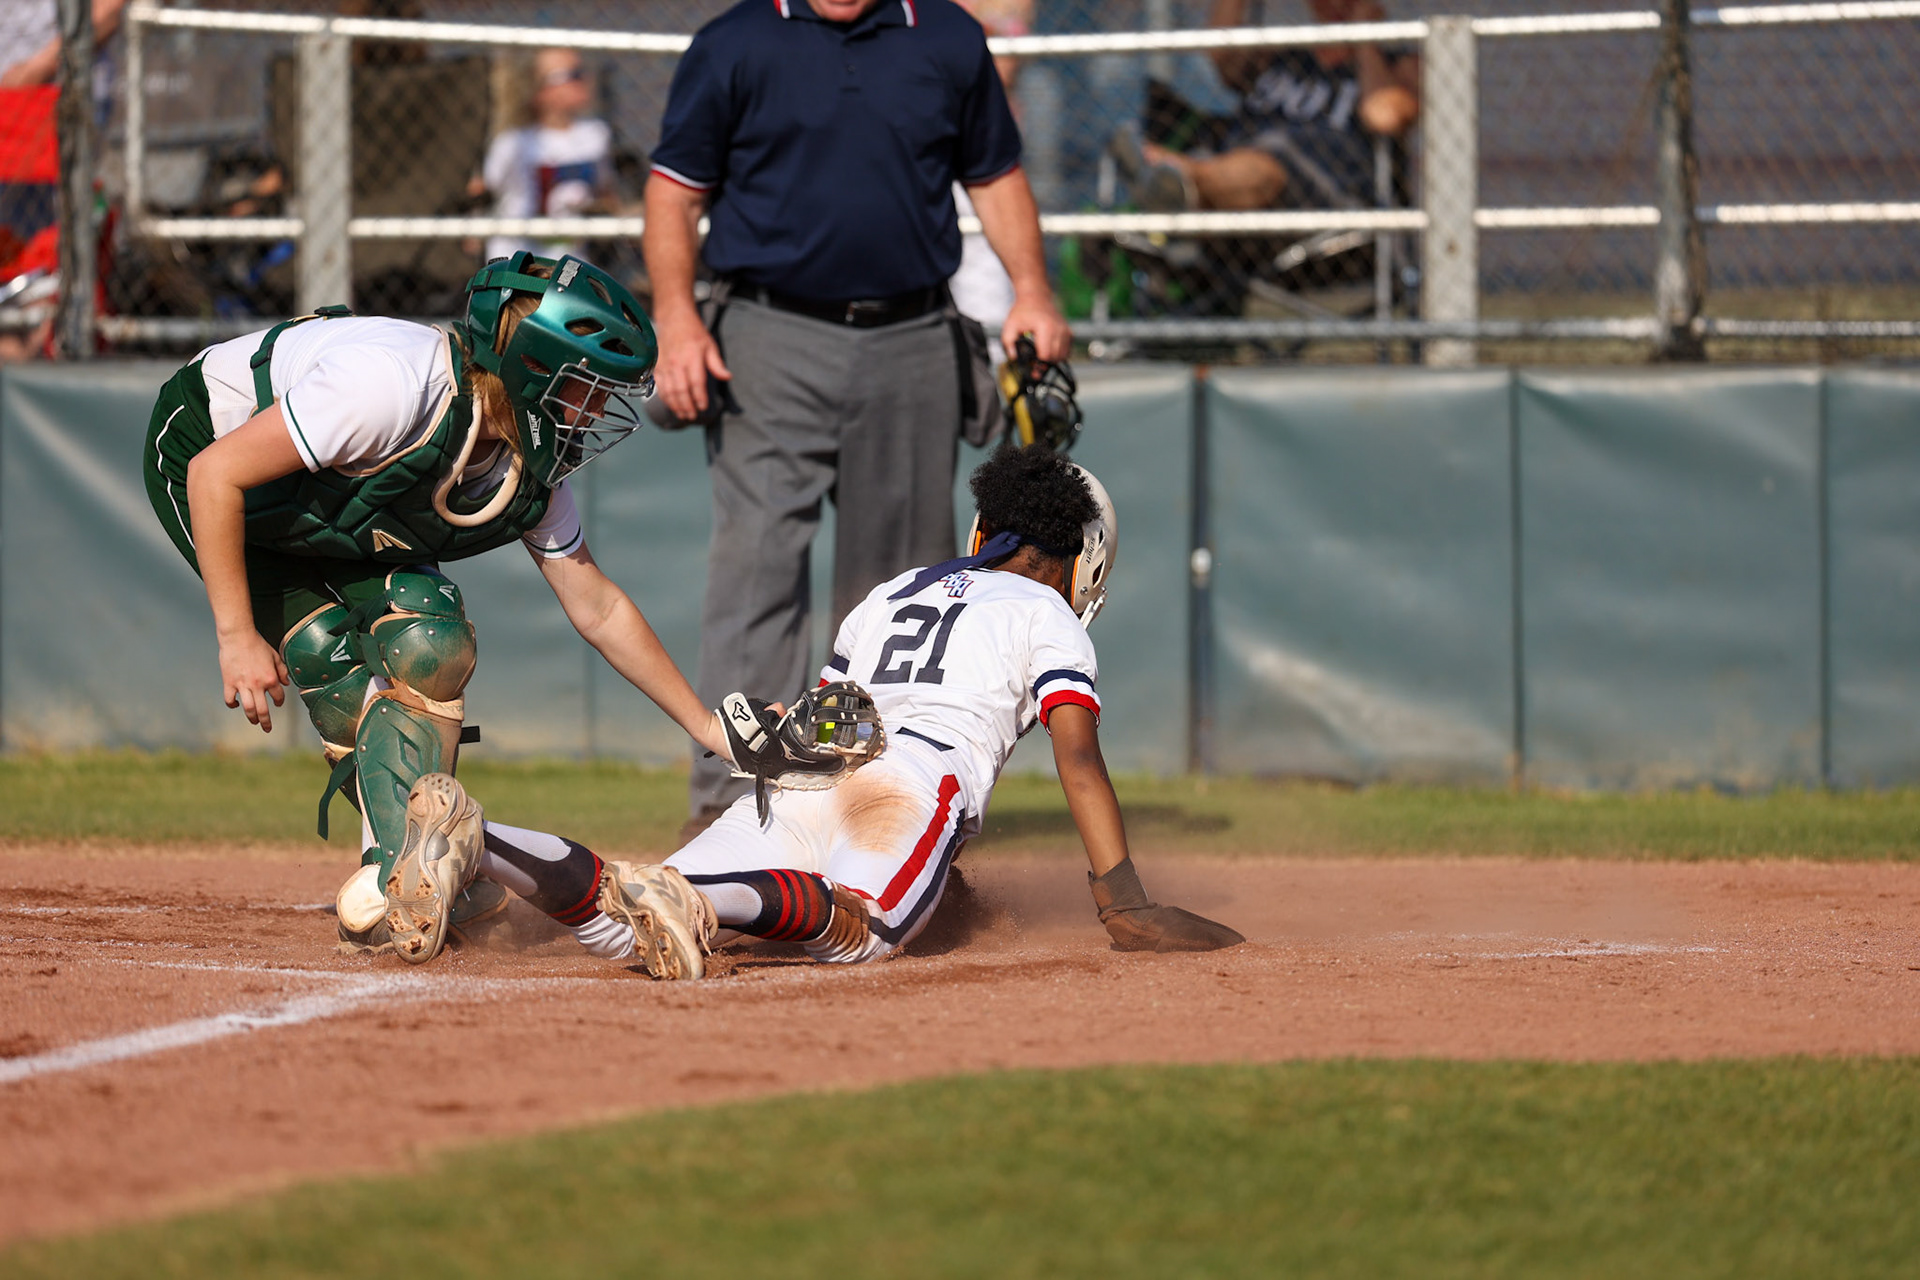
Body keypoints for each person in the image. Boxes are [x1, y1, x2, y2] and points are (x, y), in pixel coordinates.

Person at [409, 447, 1244, 978]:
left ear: (985, 525)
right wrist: (1123, 900)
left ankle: (484, 841)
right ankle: (703, 903)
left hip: (807, 773)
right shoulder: (1049, 613)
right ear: (1083, 561)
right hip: (912, 785)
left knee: (632, 931)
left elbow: (835, 714)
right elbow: (1078, 760)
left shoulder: (897, 591)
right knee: (865, 930)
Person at [141, 251, 741, 965]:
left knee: (431, 640)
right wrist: (236, 634)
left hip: (327, 495)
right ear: (532, 371)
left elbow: (599, 607)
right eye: (585, 387)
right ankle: (407, 868)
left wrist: (710, 728)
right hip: (209, 461)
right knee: (324, 652)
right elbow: (216, 475)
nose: (597, 409)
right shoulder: (388, 389)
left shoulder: (524, 458)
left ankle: (405, 871)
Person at [642, 0, 1073, 835]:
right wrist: (675, 316)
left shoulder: (945, 36)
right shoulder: (737, 41)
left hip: (911, 334)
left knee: (904, 587)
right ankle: (733, 809)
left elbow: (995, 175)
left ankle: (884, 807)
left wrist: (1032, 289)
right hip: (767, 334)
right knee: (758, 570)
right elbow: (673, 191)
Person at [1115, 0, 1419, 213]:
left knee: (1273, 154)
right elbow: (1216, 57)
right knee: (1248, 149)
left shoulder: (1395, 63)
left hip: (1320, 191)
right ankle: (1174, 180)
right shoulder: (1284, 59)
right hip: (1240, 171)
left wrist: (1365, 37)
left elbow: (1384, 116)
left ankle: (1176, 177)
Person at [473, 47, 612, 263]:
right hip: (518, 260)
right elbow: (483, 190)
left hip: (573, 263)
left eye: (582, 72)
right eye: (572, 75)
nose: (583, 80)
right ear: (540, 91)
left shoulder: (596, 135)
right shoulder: (514, 142)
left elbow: (605, 191)